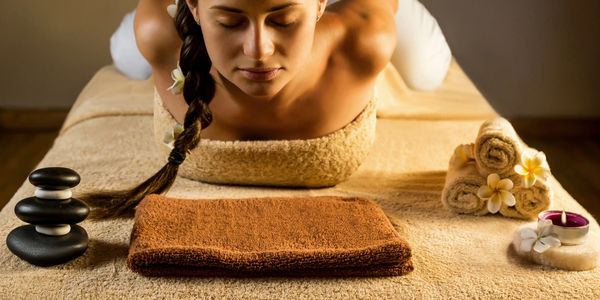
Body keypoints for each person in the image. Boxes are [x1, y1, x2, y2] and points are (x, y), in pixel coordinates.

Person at [83, 0, 398, 218]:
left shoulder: (366, 38)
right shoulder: (159, 34)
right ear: (192, 6)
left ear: (319, 5)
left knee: (424, 70)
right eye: (229, 22)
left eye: (283, 20)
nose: (258, 50)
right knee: (128, 56)